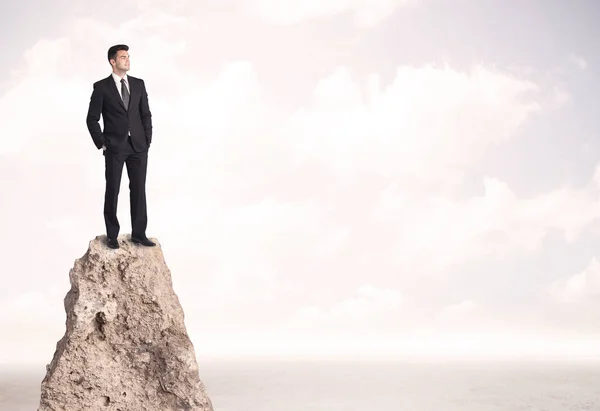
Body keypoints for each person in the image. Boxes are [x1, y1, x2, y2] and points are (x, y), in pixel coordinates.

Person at [86, 44, 156, 249]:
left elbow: (145, 114)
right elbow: (92, 119)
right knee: (113, 190)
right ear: (112, 61)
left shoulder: (139, 84)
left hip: (138, 146)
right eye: (123, 57)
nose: (127, 60)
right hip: (115, 147)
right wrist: (102, 143)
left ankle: (139, 234)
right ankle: (112, 235)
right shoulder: (101, 87)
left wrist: (147, 139)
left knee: (138, 189)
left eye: (128, 57)